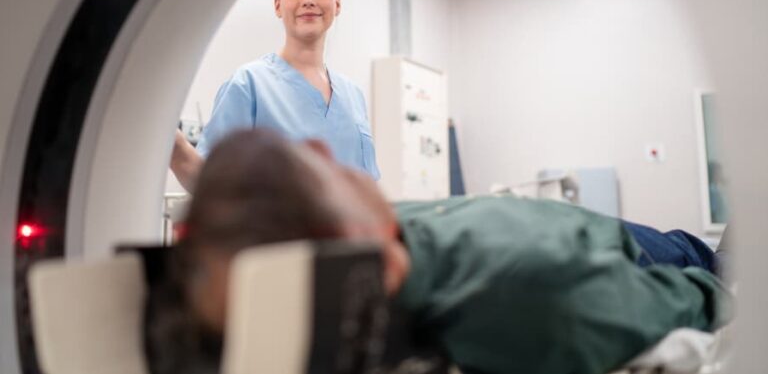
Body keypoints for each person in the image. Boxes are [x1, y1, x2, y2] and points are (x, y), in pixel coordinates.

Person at [168, 129, 732, 374]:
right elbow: (706, 298)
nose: (328, 152)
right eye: (325, 165)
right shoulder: (537, 299)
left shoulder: (370, 228)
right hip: (679, 256)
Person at [171, 0, 379, 192]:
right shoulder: (249, 85)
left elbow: (367, 187)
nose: (308, 0)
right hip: (275, 230)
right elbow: (211, 183)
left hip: (350, 230)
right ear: (278, 6)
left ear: (337, 4)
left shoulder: (353, 95)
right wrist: (175, 149)